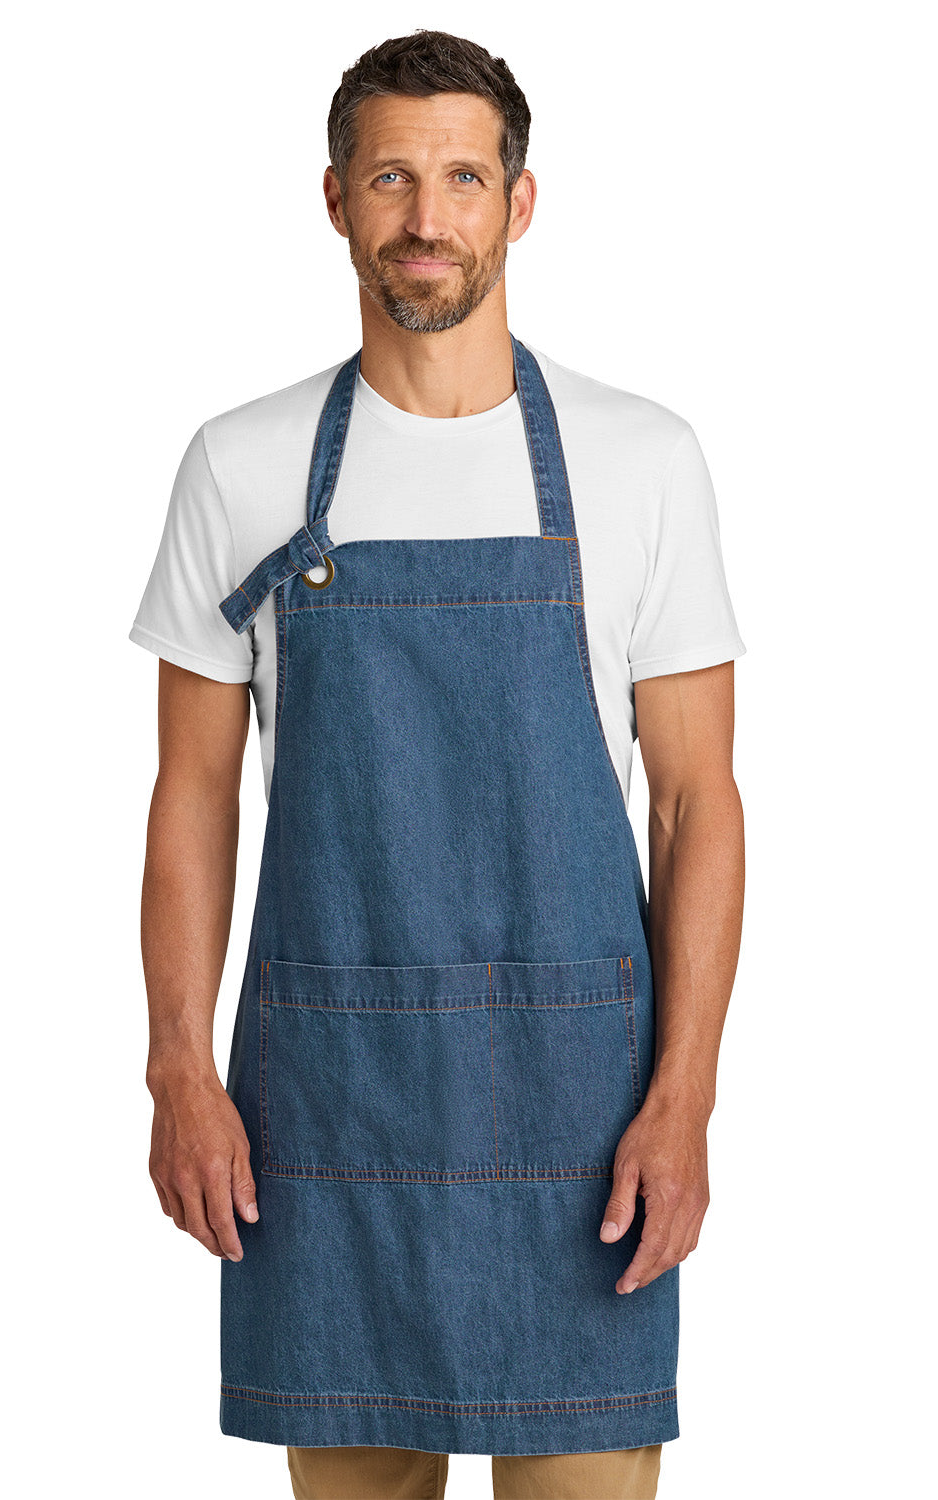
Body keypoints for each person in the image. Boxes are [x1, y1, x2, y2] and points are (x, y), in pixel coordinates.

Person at [130, 28, 746, 1500]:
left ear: (518, 204)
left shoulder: (641, 458)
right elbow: (189, 799)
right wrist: (177, 1068)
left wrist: (686, 1095)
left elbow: (697, 802)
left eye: (464, 175)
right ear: (335, 200)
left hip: (587, 1120)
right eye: (392, 176)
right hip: (328, 1107)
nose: (427, 216)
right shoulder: (244, 462)